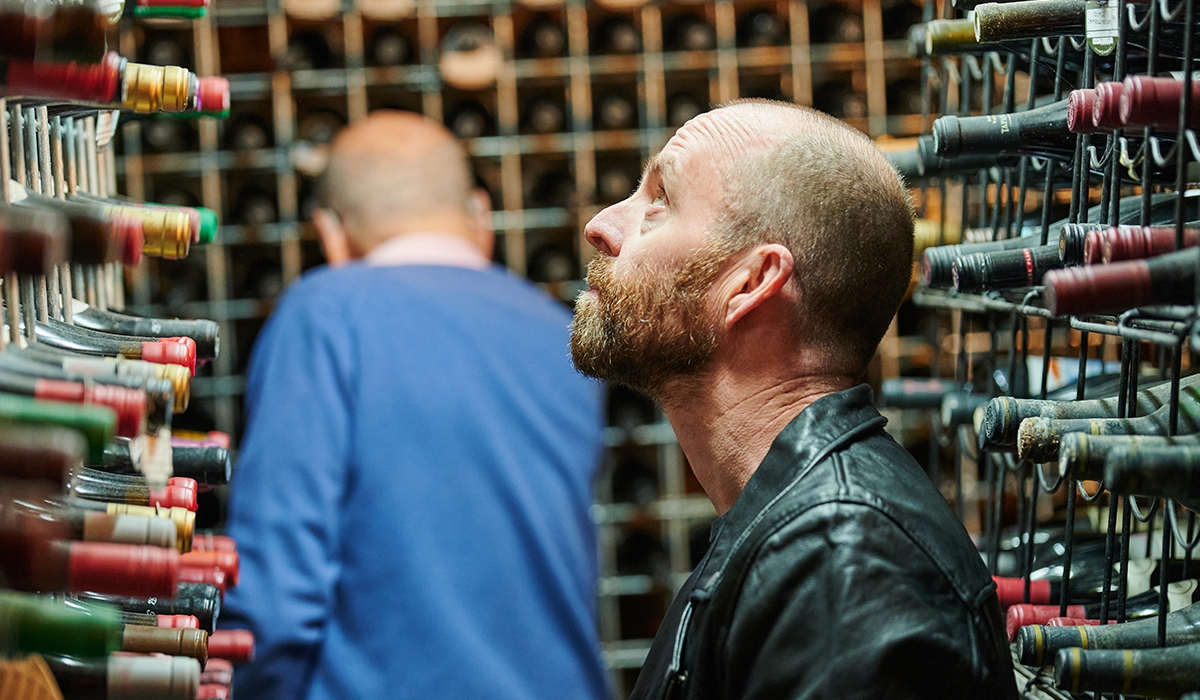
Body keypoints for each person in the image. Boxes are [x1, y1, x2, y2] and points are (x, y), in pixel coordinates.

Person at [570, 99, 1017, 700]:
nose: (602, 224)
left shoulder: (842, 561)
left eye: (660, 203)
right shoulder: (798, 530)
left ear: (751, 283)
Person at [221, 111, 609, 700]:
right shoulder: (562, 334)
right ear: (481, 214)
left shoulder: (325, 316)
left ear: (330, 231)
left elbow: (278, 593)